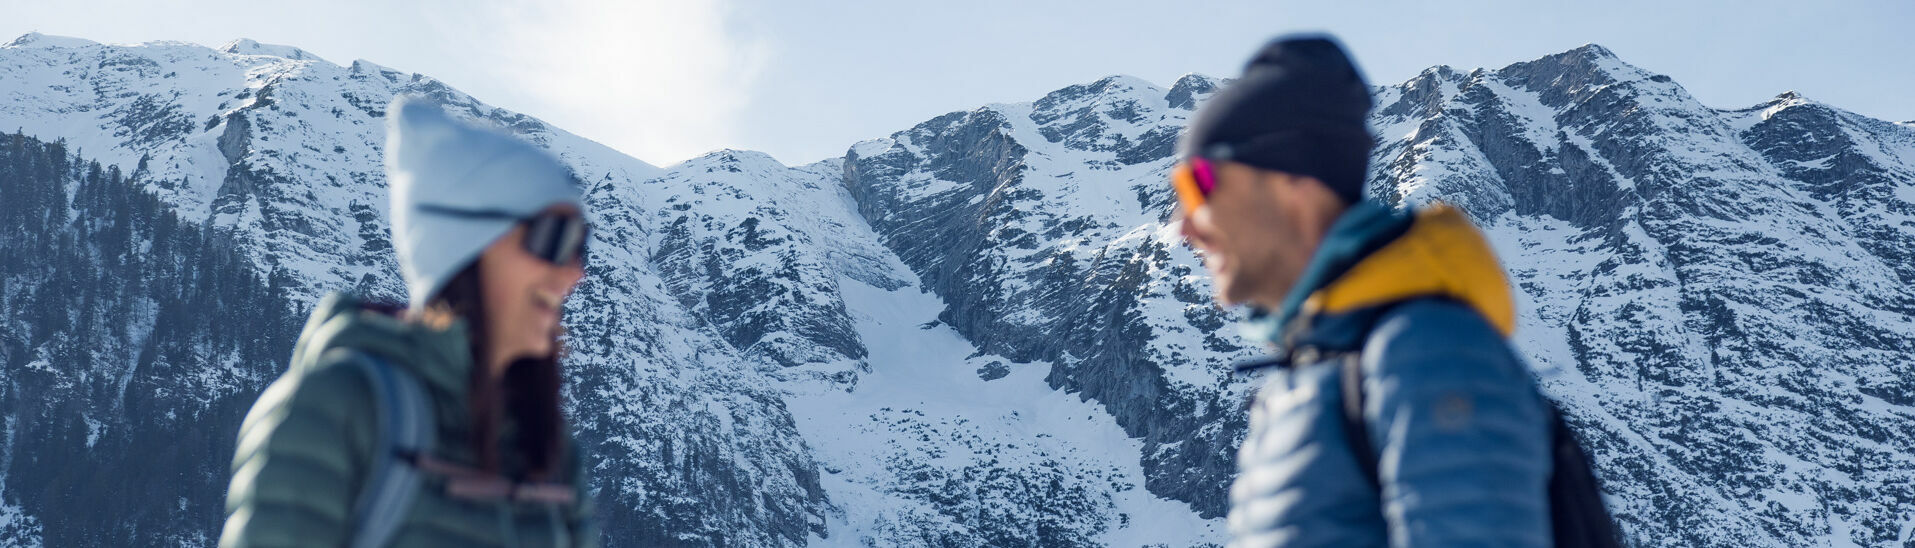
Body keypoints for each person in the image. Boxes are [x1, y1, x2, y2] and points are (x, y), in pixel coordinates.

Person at [1173, 35, 1561, 546]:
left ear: (1293, 178)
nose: (1184, 226)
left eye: (1198, 184)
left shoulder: (1429, 351)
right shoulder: (1319, 368)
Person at [220, 98, 598, 547]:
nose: (575, 272)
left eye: (582, 245)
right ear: (466, 242)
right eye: (554, 238)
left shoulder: (548, 450)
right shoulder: (340, 407)